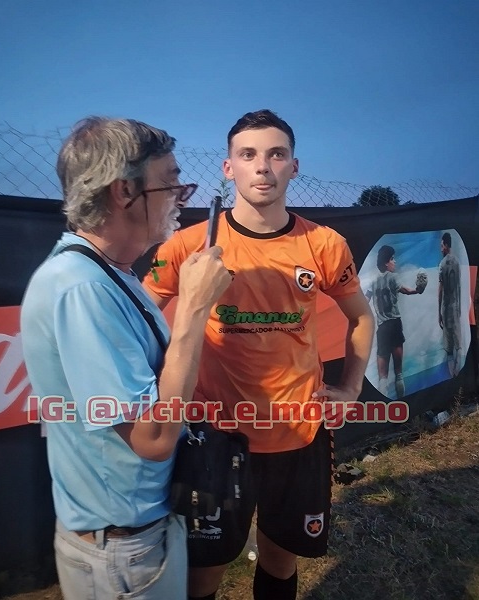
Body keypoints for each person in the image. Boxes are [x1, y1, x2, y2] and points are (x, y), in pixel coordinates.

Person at [143, 109, 374, 600]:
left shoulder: (324, 244)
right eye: (248, 155)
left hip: (297, 434)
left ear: (294, 166)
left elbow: (362, 318)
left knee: (280, 558)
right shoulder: (189, 245)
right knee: (205, 573)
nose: (263, 166)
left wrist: (351, 387)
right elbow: (140, 317)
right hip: (215, 437)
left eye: (276, 154)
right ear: (229, 168)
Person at [20, 116, 232, 600]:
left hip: (136, 535)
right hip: (121, 554)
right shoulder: (82, 288)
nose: (182, 197)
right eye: (171, 183)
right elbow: (152, 438)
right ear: (124, 192)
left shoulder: (110, 273)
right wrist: (194, 307)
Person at [365, 245, 422, 399]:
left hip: (382, 328)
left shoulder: (372, 280)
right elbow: (407, 291)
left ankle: (384, 407)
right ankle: (402, 403)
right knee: (399, 372)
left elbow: (365, 301)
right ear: (386, 262)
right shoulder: (393, 277)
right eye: (392, 259)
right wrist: (419, 290)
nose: (394, 262)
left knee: (382, 377)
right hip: (395, 325)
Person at [438, 232, 462, 376]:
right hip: (456, 307)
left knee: (449, 348)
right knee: (458, 344)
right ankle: (457, 372)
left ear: (446, 245)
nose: (441, 249)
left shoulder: (442, 264)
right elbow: (459, 286)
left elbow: (440, 291)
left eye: (442, 246)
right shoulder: (457, 262)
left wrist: (438, 313)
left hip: (447, 309)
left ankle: (452, 375)